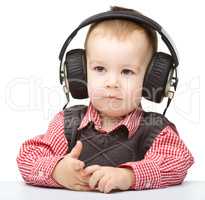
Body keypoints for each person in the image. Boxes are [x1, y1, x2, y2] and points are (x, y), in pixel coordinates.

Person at [16, 6, 194, 194]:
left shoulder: (156, 130)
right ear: (81, 74)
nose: (112, 83)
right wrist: (57, 170)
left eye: (127, 71)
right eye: (100, 69)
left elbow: (177, 162)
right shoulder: (66, 124)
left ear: (152, 79)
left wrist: (129, 176)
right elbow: (28, 157)